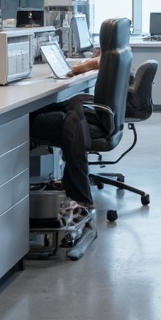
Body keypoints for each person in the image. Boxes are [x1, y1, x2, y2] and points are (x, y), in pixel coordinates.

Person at [29, 50, 100, 208]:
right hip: (97, 114)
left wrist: (78, 67)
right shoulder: (119, 52)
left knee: (66, 120)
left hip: (86, 118)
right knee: (66, 112)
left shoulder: (110, 56)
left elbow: (96, 62)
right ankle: (75, 191)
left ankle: (77, 196)